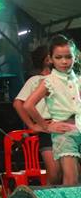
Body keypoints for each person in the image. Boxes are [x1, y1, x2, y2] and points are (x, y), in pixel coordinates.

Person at [23, 35, 80, 186]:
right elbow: (28, 105)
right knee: (71, 178)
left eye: (68, 57)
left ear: (75, 57)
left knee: (76, 177)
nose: (64, 61)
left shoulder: (78, 79)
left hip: (78, 127)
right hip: (64, 132)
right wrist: (45, 126)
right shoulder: (49, 81)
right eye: (59, 57)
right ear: (50, 59)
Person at [13, 46, 62, 184]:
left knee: (70, 170)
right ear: (47, 59)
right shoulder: (35, 80)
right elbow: (18, 103)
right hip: (47, 127)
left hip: (65, 125)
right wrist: (33, 125)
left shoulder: (64, 79)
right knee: (54, 172)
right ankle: (47, 197)